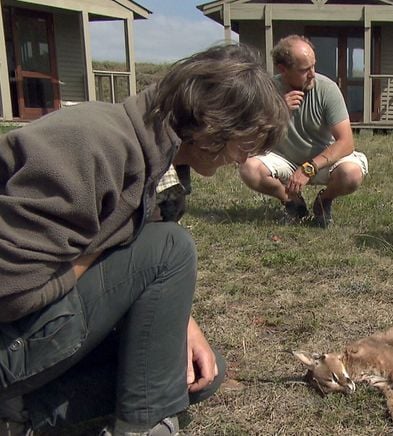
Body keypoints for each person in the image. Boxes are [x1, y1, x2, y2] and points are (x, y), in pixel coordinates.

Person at [0, 43, 289, 435]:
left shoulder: (157, 165)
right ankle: (143, 426)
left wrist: (184, 323)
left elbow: (135, 263)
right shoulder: (91, 147)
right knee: (171, 248)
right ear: (209, 124)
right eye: (246, 144)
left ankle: (24, 412)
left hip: (30, 337)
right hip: (9, 337)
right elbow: (11, 292)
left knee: (194, 372)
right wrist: (107, 245)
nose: (244, 159)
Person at [238, 34, 369, 228]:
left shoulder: (327, 89)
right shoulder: (268, 90)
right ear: (283, 69)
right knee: (248, 169)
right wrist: (278, 111)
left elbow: (346, 142)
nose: (312, 74)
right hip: (284, 159)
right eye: (304, 70)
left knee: (352, 174)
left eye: (313, 66)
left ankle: (324, 201)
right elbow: (249, 137)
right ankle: (291, 201)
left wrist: (309, 168)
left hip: (322, 159)